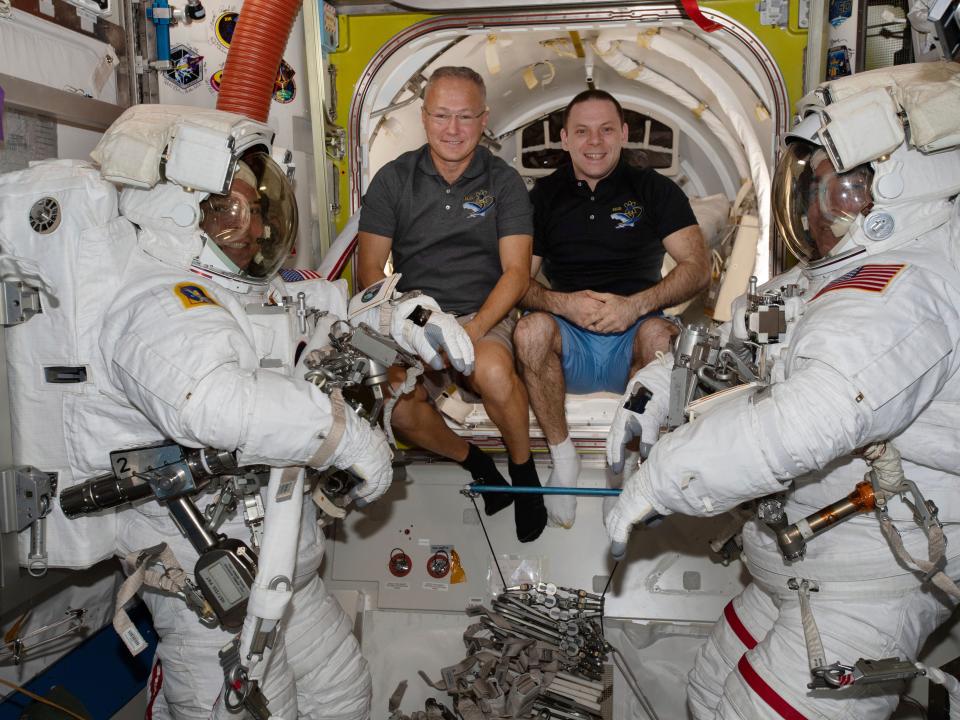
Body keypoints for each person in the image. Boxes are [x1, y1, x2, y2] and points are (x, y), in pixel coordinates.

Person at [1, 104, 474, 719]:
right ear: (177, 208)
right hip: (212, 603)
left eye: (256, 209)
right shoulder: (155, 301)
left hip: (283, 579)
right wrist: (349, 441)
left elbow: (321, 327)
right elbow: (214, 402)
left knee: (344, 701)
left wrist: (398, 319)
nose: (250, 227)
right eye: (227, 210)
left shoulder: (239, 294)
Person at [604, 62, 960, 719]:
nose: (817, 208)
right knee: (707, 697)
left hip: (863, 585)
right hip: (794, 566)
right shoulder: (823, 281)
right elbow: (738, 343)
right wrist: (658, 384)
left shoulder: (908, 291)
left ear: (896, 186)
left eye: (837, 189)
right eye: (812, 188)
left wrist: (661, 480)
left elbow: (810, 415)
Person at [357, 66, 548, 542]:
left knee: (494, 372)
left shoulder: (504, 182)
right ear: (424, 117)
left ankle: (525, 478)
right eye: (441, 115)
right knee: (396, 407)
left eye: (465, 117)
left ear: (484, 120)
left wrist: (471, 330)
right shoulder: (393, 180)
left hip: (482, 312)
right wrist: (410, 324)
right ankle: (477, 463)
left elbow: (517, 273)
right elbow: (367, 274)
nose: (453, 129)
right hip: (412, 316)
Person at [513, 89, 709, 529]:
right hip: (572, 341)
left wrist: (635, 304)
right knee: (529, 332)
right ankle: (563, 460)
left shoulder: (656, 190)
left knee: (662, 335)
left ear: (624, 134)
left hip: (634, 339)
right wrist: (564, 303)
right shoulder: (540, 198)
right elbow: (517, 282)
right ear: (564, 139)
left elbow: (699, 269)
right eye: (582, 131)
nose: (594, 142)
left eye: (605, 130)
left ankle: (622, 470)